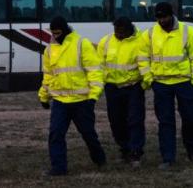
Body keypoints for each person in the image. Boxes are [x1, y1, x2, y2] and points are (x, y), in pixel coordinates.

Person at [139, 2, 193, 168]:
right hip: (161, 83)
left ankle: (190, 146)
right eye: (159, 17)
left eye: (165, 16)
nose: (162, 20)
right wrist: (149, 79)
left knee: (190, 118)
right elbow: (142, 58)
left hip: (184, 82)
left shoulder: (188, 31)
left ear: (172, 15)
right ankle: (168, 157)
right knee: (165, 122)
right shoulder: (149, 34)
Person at [38, 16, 106, 176]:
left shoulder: (82, 44)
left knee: (88, 133)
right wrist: (43, 96)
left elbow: (94, 71)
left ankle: (99, 158)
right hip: (60, 101)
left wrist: (93, 96)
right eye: (53, 33)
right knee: (55, 134)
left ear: (65, 30)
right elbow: (48, 75)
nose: (56, 36)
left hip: (82, 101)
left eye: (58, 32)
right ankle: (58, 168)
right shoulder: (49, 50)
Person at [97, 17, 146, 168]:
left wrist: (144, 83)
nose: (118, 34)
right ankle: (124, 148)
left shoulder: (141, 42)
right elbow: (99, 65)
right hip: (112, 88)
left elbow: (145, 64)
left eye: (121, 31)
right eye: (116, 30)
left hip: (133, 87)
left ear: (129, 29)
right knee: (116, 121)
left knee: (135, 120)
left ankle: (135, 151)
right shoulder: (105, 41)